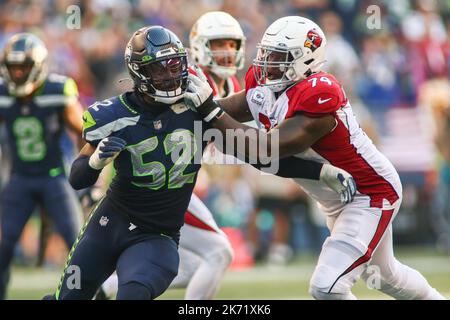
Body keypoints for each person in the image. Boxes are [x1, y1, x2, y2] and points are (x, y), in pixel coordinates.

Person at [50, 25, 357, 300]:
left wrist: (319, 171)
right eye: (160, 70)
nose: (171, 76)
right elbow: (77, 178)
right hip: (108, 223)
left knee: (134, 293)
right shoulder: (113, 114)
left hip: (156, 235)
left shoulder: (196, 110)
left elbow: (258, 155)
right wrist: (95, 162)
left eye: (175, 66)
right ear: (139, 72)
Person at [185, 16, 445, 300]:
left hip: (369, 192)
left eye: (279, 57)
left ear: (305, 61)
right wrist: (183, 105)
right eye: (266, 53)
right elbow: (224, 116)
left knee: (327, 286)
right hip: (337, 198)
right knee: (385, 276)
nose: (267, 63)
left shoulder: (318, 94)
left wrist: (208, 109)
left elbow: (267, 149)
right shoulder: (265, 87)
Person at [0, 33, 84, 299]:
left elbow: (84, 130)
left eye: (23, 67)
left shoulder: (57, 91)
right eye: (13, 68)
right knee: (3, 246)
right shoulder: (3, 94)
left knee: (79, 245)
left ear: (37, 67)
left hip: (55, 178)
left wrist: (91, 174)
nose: (17, 74)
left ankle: (94, 294)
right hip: (20, 178)